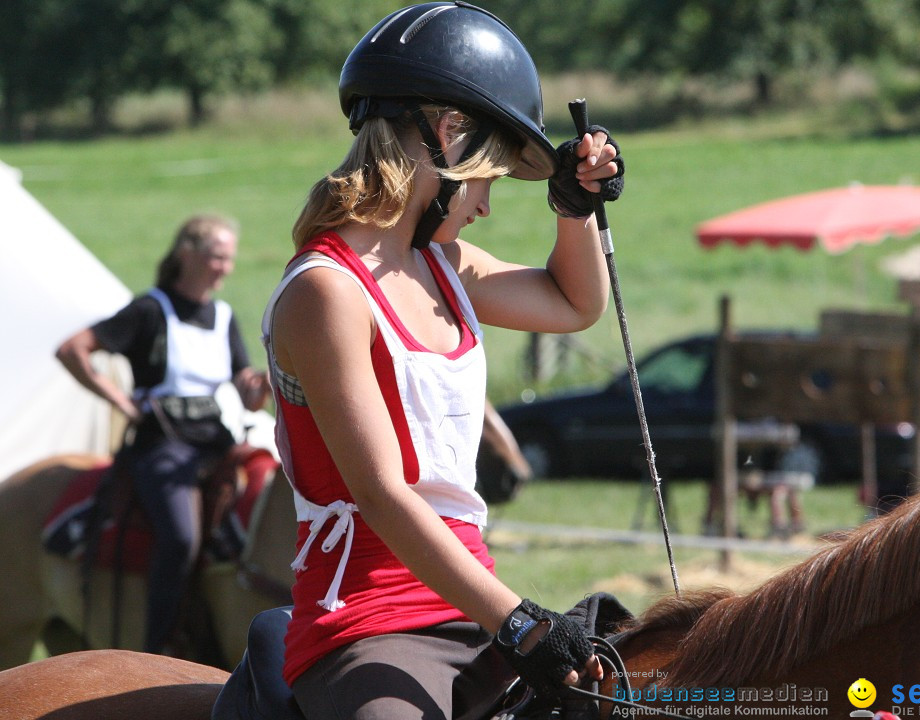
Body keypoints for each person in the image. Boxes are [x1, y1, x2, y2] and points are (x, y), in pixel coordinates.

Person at [260, 4, 625, 718]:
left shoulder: (444, 263)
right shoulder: (326, 291)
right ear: (448, 137)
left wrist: (573, 208)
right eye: (489, 177)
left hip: (472, 607)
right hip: (368, 629)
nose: (486, 206)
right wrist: (519, 621)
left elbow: (572, 304)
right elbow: (383, 494)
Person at [56, 213, 271, 654]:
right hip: (163, 446)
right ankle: (160, 646)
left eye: (229, 259)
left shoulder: (224, 315)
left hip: (217, 441)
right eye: (216, 257)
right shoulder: (150, 309)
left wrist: (259, 384)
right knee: (182, 537)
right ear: (186, 253)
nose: (225, 269)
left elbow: (247, 394)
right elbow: (72, 349)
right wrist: (120, 401)